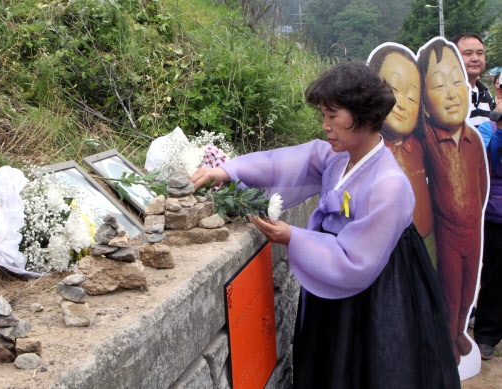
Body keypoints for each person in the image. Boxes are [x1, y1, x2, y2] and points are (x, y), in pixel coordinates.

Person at [190, 62, 460, 388]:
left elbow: (356, 261)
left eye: (333, 116)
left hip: (379, 291)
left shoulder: (390, 185)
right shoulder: (339, 157)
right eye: (323, 115)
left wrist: (292, 237)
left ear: (365, 115)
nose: (325, 126)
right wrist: (229, 172)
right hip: (332, 270)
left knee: (369, 368)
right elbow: (283, 164)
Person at [417, 39, 488, 364]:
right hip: (446, 233)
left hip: (473, 233)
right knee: (448, 288)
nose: (450, 93)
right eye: (439, 85)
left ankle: (459, 331)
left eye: (457, 82)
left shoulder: (474, 139)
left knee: (467, 289)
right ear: (425, 103)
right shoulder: (429, 136)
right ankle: (445, 339)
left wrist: (475, 216)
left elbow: (482, 184)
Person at [368, 45, 436, 265]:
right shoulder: (368, 148)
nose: (401, 104)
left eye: (413, 98)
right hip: (384, 245)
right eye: (393, 90)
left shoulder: (421, 146)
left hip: (426, 237)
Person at [473, 76, 502, 360]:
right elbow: (488, 160)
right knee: (494, 276)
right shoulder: (486, 128)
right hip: (496, 214)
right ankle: (487, 335)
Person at [451, 32, 496, 129]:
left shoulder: (486, 95)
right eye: (468, 53)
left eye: (480, 53)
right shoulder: (448, 97)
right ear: (453, 57)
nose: (475, 58)